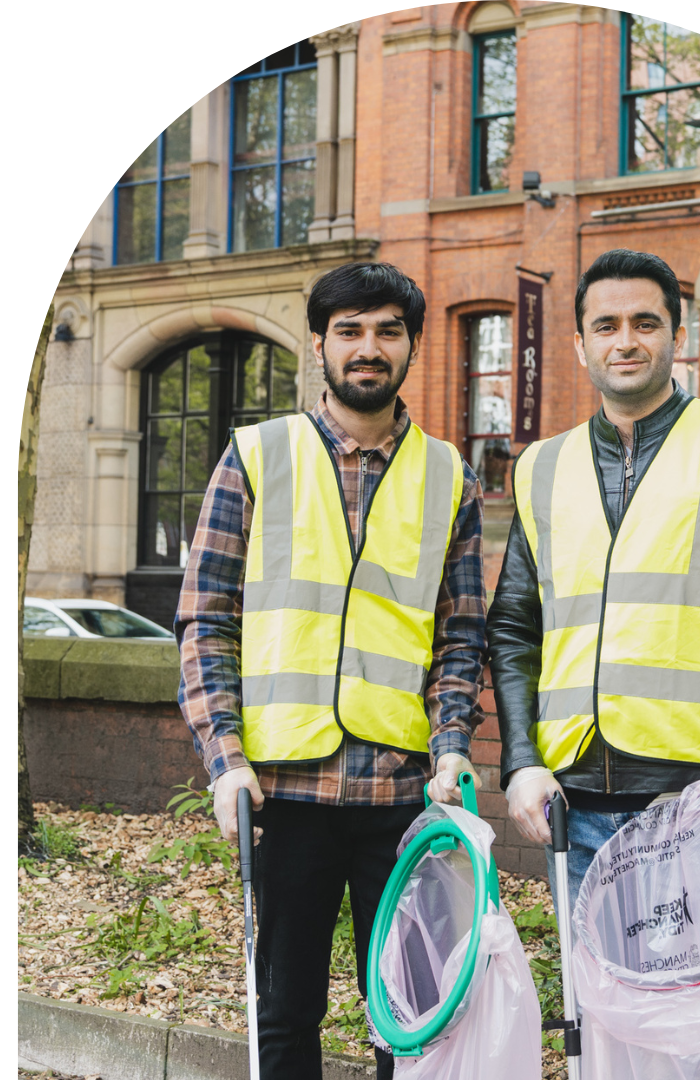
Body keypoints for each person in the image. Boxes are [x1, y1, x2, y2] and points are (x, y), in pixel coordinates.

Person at [175, 262, 487, 1080]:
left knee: (409, 1012)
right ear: (319, 345)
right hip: (287, 793)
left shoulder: (450, 476)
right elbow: (205, 620)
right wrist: (224, 760)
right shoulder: (256, 457)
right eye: (348, 330)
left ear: (412, 343)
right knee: (284, 1012)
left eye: (387, 329)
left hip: (402, 795)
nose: (368, 347)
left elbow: (461, 635)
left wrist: (452, 743)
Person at [487, 248, 700, 912]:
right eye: (606, 326)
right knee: (600, 1006)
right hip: (573, 802)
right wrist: (521, 760)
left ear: (679, 336)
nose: (626, 341)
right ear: (581, 345)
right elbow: (515, 630)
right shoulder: (540, 468)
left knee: (698, 1011)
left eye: (645, 322)